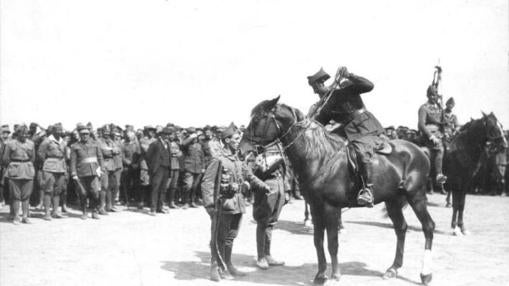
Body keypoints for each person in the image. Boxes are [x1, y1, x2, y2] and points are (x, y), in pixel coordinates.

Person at [307, 66, 385, 207]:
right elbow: (317, 124)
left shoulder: (346, 89)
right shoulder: (326, 105)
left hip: (365, 128)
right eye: (316, 90)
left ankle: (368, 190)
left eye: (318, 87)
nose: (317, 92)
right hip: (348, 133)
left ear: (322, 84)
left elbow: (369, 85)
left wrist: (350, 75)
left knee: (361, 153)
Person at [201, 124, 269, 282]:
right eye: (236, 138)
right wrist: (210, 206)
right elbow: (207, 183)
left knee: (231, 236)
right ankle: (215, 268)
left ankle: (228, 264)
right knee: (219, 237)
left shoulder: (238, 158)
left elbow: (249, 175)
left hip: (238, 203)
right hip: (223, 205)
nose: (239, 141)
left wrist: (262, 186)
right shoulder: (219, 159)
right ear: (227, 140)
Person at [252, 143, 288, 269]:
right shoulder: (259, 157)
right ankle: (260, 256)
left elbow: (285, 173)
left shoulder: (280, 153)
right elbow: (256, 175)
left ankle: (267, 254)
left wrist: (286, 191)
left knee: (271, 223)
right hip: (267, 190)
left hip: (279, 189)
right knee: (263, 222)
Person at [2, 125, 36, 224]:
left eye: (26, 133)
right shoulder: (10, 144)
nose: (25, 135)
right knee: (15, 195)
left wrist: (26, 164)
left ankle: (25, 216)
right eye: (22, 133)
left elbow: (33, 158)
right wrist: (14, 165)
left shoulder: (31, 143)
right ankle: (16, 216)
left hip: (27, 169)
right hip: (15, 170)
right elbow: (5, 159)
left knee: (26, 195)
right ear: (17, 134)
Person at [70, 124, 105, 220]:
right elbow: (73, 161)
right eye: (83, 134)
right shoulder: (75, 146)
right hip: (81, 172)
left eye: (86, 134)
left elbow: (100, 157)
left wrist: (102, 168)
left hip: (93, 172)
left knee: (95, 192)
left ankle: (94, 211)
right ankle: (84, 211)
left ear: (89, 134)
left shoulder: (95, 144)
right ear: (80, 135)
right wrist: (73, 173)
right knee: (83, 193)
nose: (85, 136)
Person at [418, 84, 447, 190]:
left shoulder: (440, 108)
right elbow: (421, 125)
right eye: (431, 95)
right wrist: (431, 136)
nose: (433, 97)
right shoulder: (424, 108)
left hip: (440, 133)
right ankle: (439, 175)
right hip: (429, 135)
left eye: (435, 95)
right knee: (440, 149)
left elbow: (443, 123)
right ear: (427, 96)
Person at [37, 124, 68, 220]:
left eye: (60, 130)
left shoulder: (63, 141)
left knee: (58, 191)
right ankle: (47, 213)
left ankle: (55, 211)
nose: (59, 132)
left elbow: (65, 154)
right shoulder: (47, 141)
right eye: (57, 130)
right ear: (53, 131)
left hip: (61, 167)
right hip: (49, 167)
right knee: (48, 190)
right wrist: (47, 161)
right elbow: (40, 153)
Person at [146, 127, 172, 215]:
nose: (167, 136)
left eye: (168, 135)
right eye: (166, 134)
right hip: (158, 169)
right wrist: (153, 167)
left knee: (163, 189)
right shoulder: (155, 143)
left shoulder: (168, 144)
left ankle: (160, 207)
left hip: (166, 168)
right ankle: (153, 208)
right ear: (161, 134)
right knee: (155, 188)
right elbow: (148, 156)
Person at [181, 127, 205, 208]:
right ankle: (186, 202)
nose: (195, 138)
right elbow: (183, 144)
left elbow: (202, 157)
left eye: (196, 137)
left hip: (198, 168)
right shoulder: (187, 144)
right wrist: (191, 137)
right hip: (189, 167)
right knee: (188, 185)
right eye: (193, 137)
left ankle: (192, 201)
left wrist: (203, 167)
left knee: (195, 186)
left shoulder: (199, 145)